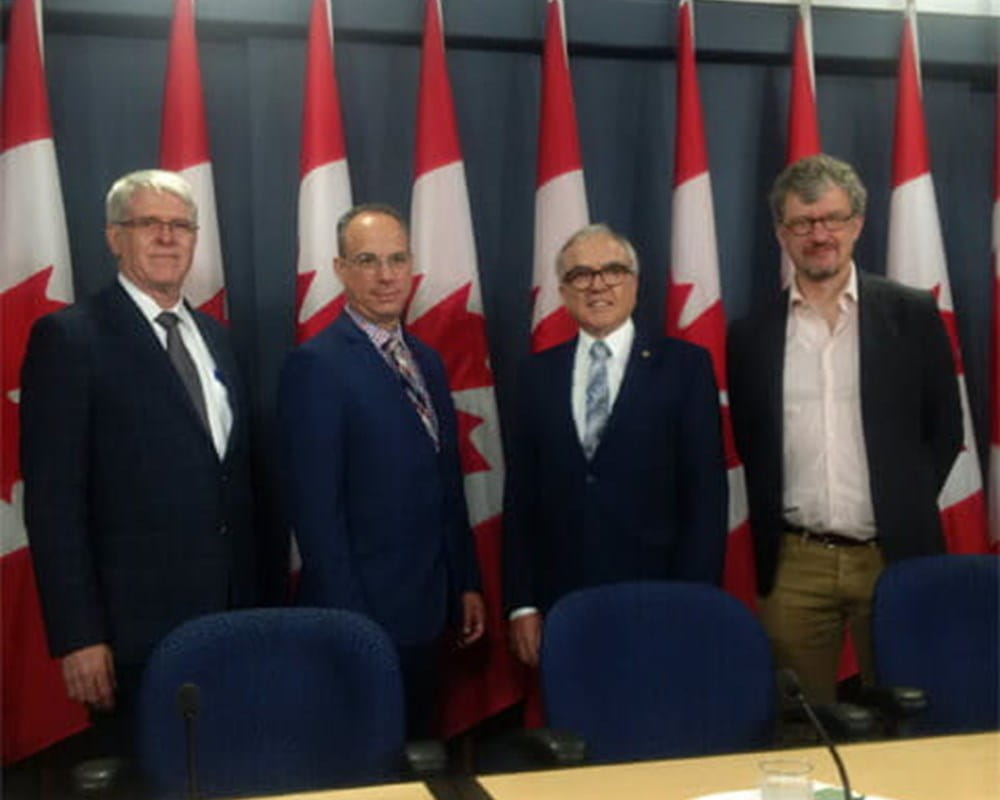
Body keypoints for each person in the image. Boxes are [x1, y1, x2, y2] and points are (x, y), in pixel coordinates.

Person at [20, 169, 260, 757]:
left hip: (233, 616)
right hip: (133, 634)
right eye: (148, 224)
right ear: (113, 237)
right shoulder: (70, 338)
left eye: (180, 226)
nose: (167, 238)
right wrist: (79, 636)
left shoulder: (216, 336)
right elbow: (54, 502)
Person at [727, 154, 962, 704]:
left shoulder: (912, 314)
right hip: (794, 563)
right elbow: (751, 440)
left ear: (857, 222)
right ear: (781, 233)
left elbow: (945, 430)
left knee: (905, 719)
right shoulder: (750, 333)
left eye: (832, 218)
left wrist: (897, 507)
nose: (819, 234)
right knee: (798, 727)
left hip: (894, 555)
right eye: (803, 223)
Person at [278, 203, 485, 735]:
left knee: (420, 753)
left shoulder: (427, 360)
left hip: (431, 607)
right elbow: (316, 512)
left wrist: (464, 581)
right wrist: (355, 622)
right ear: (340, 269)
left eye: (397, 259)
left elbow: (446, 485)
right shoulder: (316, 366)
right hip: (364, 615)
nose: (387, 275)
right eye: (368, 260)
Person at [503, 223, 728, 667]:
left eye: (612, 270)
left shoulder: (685, 368)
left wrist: (692, 598)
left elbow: (705, 495)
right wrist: (522, 602)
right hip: (561, 600)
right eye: (581, 274)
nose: (598, 284)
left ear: (635, 283)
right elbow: (521, 500)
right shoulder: (535, 375)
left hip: (661, 595)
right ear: (564, 291)